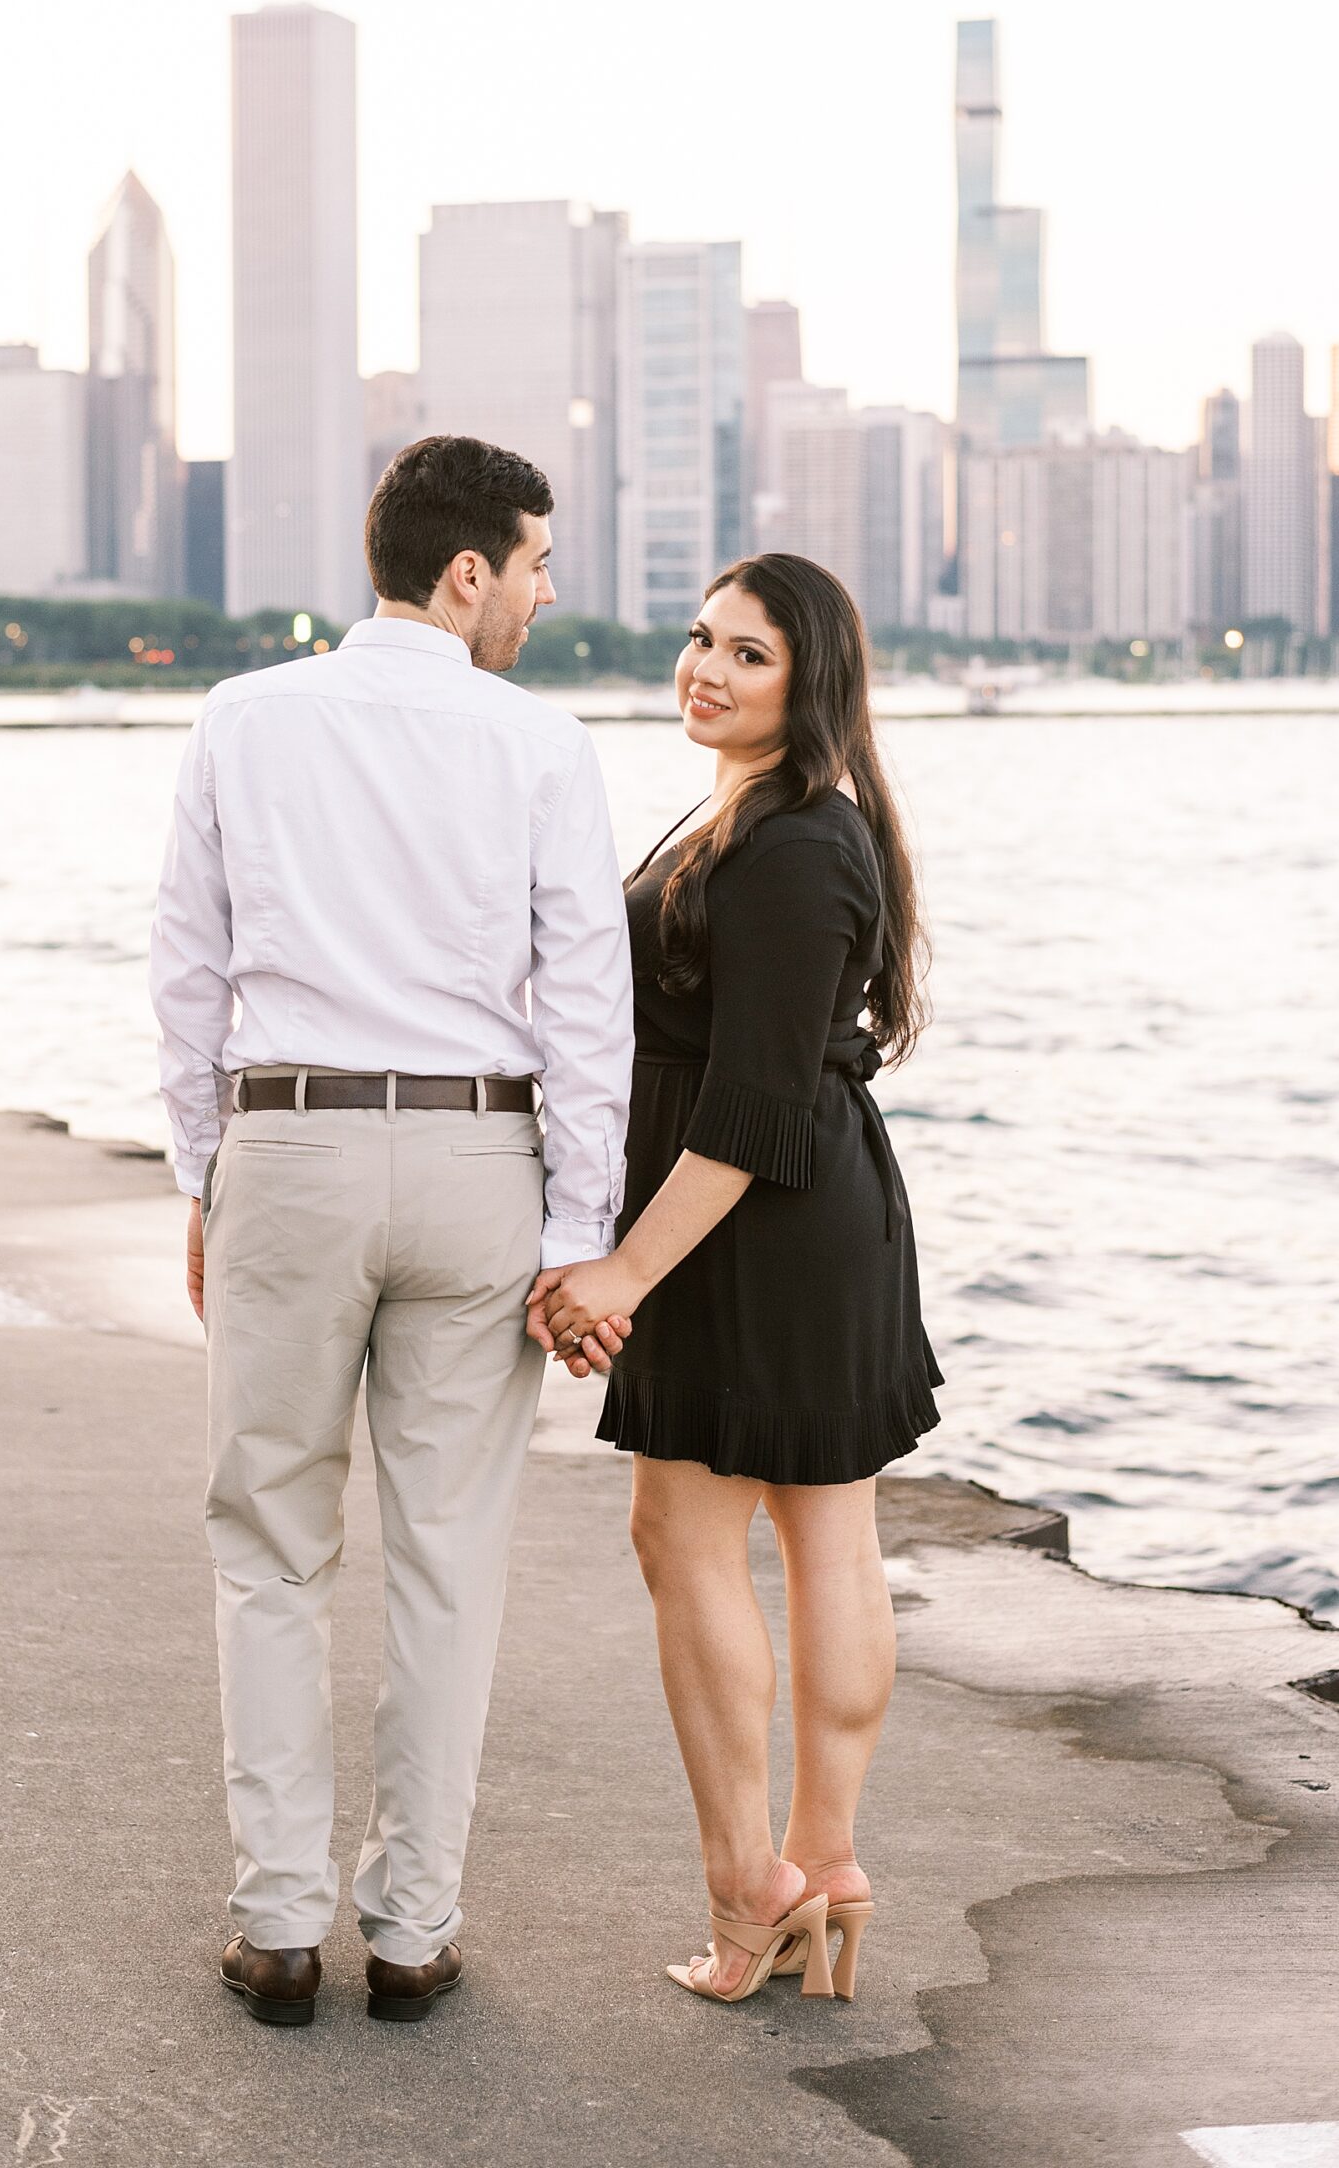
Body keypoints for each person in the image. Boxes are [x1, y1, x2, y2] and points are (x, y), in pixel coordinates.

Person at [149, 435, 633, 2029]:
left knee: (270, 1545)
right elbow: (586, 1010)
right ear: (466, 569)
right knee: (450, 1561)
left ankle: (280, 1928)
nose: (548, 595)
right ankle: (412, 1935)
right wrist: (577, 1227)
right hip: (479, 1160)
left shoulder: (244, 717)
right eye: (538, 565)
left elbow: (188, 973)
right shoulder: (544, 748)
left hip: (289, 1140)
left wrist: (204, 1174)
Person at [528, 552, 939, 2008]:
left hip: (748, 1222)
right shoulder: (754, 818)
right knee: (821, 1535)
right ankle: (818, 1870)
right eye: (701, 640)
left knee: (692, 1538)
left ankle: (754, 1885)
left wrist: (618, 1274)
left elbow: (754, 1106)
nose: (705, 667)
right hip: (780, 1218)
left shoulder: (794, 845)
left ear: (808, 678)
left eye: (747, 653)